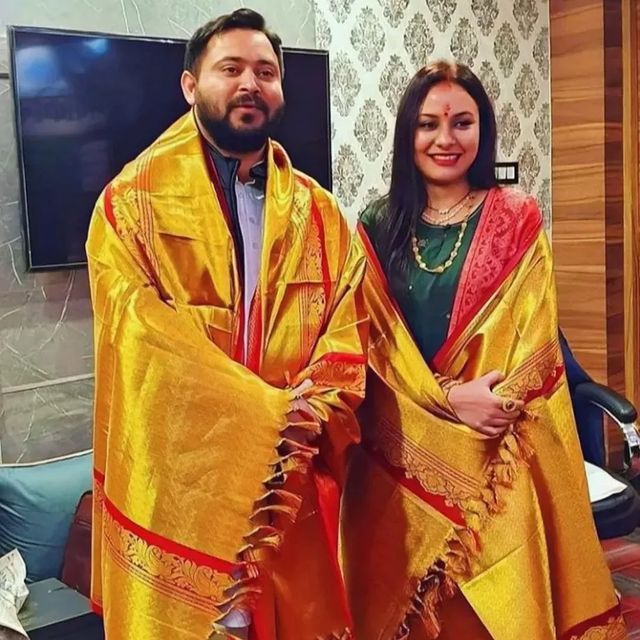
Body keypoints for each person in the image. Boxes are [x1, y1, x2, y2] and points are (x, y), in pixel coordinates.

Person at [86, 9, 367, 640]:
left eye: (265, 71)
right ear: (190, 85)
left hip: (287, 491)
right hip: (185, 490)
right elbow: (140, 338)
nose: (250, 83)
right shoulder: (129, 204)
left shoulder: (320, 215)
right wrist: (263, 412)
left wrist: (308, 410)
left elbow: (348, 325)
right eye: (230, 68)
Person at [342, 61, 625, 640]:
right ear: (406, 134)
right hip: (398, 448)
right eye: (428, 124)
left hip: (496, 450)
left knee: (488, 615)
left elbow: (534, 345)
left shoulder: (516, 218)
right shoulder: (377, 222)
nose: (445, 139)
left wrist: (485, 408)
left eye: (462, 122)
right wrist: (447, 399)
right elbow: (364, 341)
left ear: (482, 129)